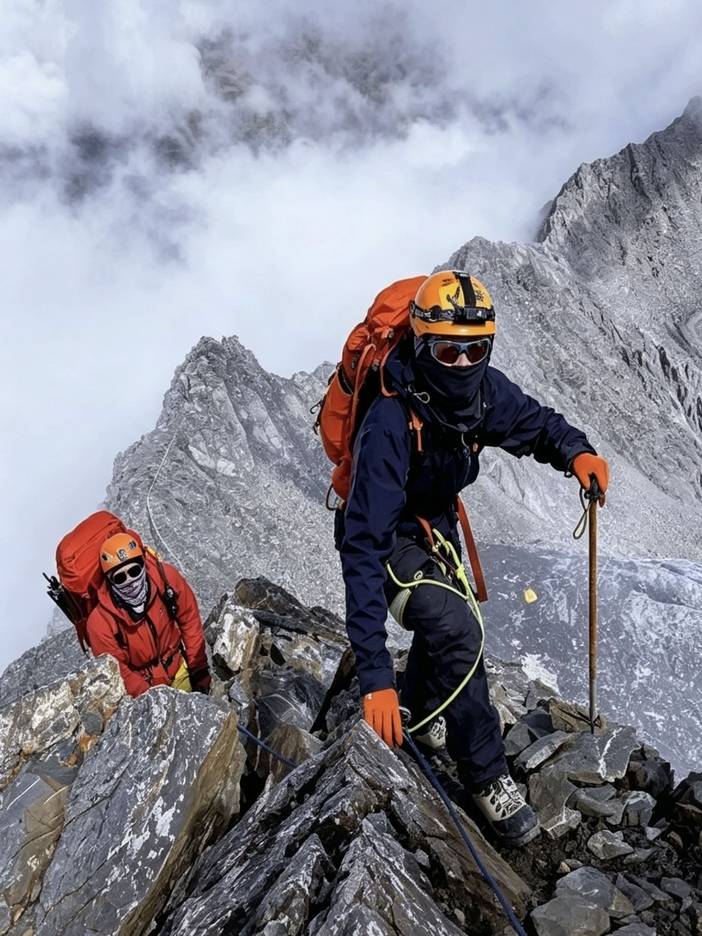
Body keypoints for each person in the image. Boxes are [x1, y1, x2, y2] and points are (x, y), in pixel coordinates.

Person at [335, 270, 609, 846]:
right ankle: (486, 776)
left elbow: (535, 425)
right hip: (387, 536)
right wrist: (374, 677)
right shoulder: (389, 422)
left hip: (435, 526)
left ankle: (419, 715)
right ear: (420, 346)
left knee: (449, 626)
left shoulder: (484, 392)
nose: (462, 363)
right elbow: (362, 546)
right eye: (447, 351)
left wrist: (576, 452)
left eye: (474, 350)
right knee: (459, 628)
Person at [86, 532, 211, 698]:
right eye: (120, 577)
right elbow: (118, 670)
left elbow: (189, 619)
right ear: (109, 581)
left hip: (179, 670)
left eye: (134, 571)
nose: (130, 581)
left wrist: (198, 667)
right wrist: (152, 701)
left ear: (143, 564)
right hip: (142, 690)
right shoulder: (100, 623)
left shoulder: (165, 579)